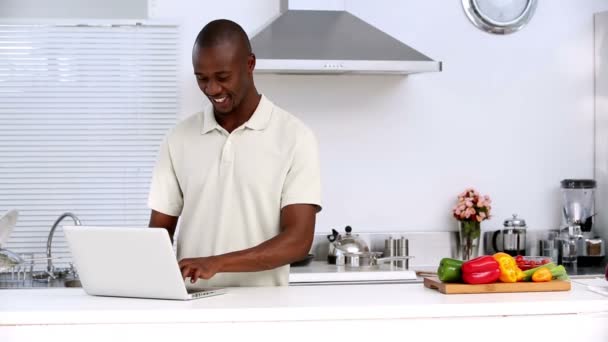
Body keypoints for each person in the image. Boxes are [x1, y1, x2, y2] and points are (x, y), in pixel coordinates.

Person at [147, 19, 322, 287]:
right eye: (202, 79)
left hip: (265, 313)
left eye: (223, 77)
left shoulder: (295, 137)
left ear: (250, 65)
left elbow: (298, 241)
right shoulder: (178, 139)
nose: (212, 89)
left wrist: (217, 263)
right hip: (192, 309)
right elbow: (158, 235)